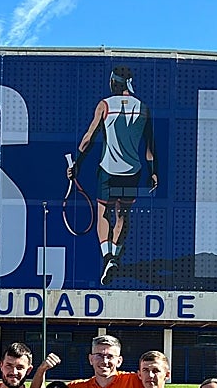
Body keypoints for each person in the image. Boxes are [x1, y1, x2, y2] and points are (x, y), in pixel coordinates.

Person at [67, 65, 159, 285]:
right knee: (122, 214)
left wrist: (77, 164)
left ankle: (107, 256)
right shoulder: (144, 108)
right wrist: (153, 173)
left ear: (113, 83)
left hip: (109, 170)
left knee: (103, 213)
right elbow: (150, 147)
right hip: (132, 172)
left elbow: (89, 138)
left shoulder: (105, 105)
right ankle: (115, 258)